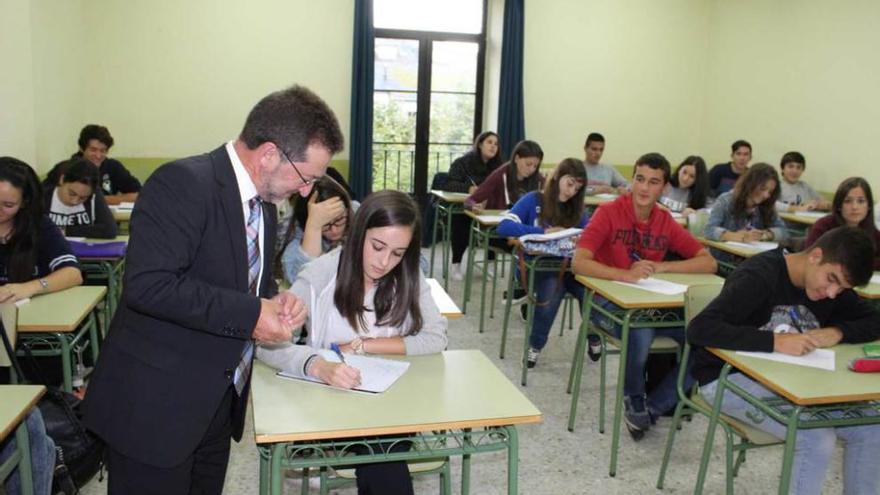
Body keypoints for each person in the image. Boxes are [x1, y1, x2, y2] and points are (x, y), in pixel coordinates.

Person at [81, 84, 343, 494]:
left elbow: (243, 282)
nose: (307, 191)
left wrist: (274, 301)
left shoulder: (265, 204)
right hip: (156, 407)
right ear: (271, 153)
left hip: (216, 399)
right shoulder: (183, 182)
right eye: (307, 177)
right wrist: (252, 314)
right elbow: (149, 285)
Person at [258, 190, 447, 495]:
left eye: (398, 253)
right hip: (333, 408)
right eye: (378, 246)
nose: (385, 262)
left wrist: (362, 345)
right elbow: (266, 343)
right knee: (382, 454)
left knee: (381, 445)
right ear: (359, 234)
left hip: (396, 406)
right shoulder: (320, 273)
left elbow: (436, 337)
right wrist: (317, 365)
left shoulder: (409, 276)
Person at [688, 226, 880, 495]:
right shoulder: (760, 275)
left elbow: (874, 320)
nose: (833, 293)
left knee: (872, 427)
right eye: (832, 280)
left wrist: (838, 331)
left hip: (795, 382)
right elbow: (700, 329)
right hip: (725, 378)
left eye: (842, 288)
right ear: (815, 256)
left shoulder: (830, 287)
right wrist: (776, 342)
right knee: (815, 438)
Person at [572, 152, 717, 440]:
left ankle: (652, 407)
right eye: (639, 179)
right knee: (640, 329)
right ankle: (634, 398)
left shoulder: (664, 220)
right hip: (605, 304)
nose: (644, 188)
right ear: (632, 180)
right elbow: (579, 262)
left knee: (707, 340)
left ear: (664, 188)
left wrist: (664, 266)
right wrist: (623, 274)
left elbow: (708, 262)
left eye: (653, 182)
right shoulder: (609, 213)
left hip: (649, 303)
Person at [0, 156, 83, 495]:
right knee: (28, 424)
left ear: (24, 204)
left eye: (7, 205)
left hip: (27, 346)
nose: (0, 210)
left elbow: (73, 273)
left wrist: (28, 287)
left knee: (29, 419)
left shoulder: (37, 228)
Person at [496, 158, 596, 367]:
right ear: (558, 176)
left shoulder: (577, 210)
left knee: (593, 294)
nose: (572, 192)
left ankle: (595, 338)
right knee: (551, 293)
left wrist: (580, 239)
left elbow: (590, 236)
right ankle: (535, 345)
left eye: (577, 188)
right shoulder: (534, 200)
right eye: (569, 184)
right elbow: (504, 227)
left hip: (570, 268)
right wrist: (543, 232)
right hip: (539, 268)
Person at [442, 131, 501, 281]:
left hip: (487, 206)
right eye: (489, 142)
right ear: (480, 144)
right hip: (464, 206)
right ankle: (456, 263)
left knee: (496, 223)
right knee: (461, 220)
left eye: (496, 144)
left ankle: (490, 263)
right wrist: (468, 189)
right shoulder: (463, 162)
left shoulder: (499, 166)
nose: (493, 146)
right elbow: (449, 184)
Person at [703, 163, 789, 262]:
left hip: (752, 262)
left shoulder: (767, 205)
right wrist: (733, 236)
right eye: (763, 188)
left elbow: (784, 232)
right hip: (724, 261)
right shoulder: (725, 200)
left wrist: (764, 234)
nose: (766, 195)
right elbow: (708, 230)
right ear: (750, 183)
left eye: (770, 192)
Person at [277, 176, 353, 283]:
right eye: (325, 225)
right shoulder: (295, 241)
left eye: (339, 220)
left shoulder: (358, 214)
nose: (335, 230)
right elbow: (301, 281)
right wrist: (313, 227)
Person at [55, 124, 142, 205]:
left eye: (103, 151)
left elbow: (139, 194)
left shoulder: (113, 166)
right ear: (82, 148)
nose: (98, 155)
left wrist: (104, 200)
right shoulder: (69, 168)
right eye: (93, 150)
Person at [805, 177, 880, 269]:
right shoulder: (824, 226)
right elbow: (810, 256)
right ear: (839, 205)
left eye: (861, 201)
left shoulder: (871, 230)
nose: (855, 207)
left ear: (869, 206)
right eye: (848, 201)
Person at [43, 158, 118, 239]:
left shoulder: (94, 196)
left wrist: (66, 231)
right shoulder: (43, 197)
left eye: (83, 198)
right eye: (72, 194)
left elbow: (110, 230)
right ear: (62, 180)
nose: (75, 201)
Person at [464, 139, 544, 212]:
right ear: (516, 158)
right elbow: (470, 201)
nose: (531, 170)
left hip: (524, 224)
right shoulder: (499, 175)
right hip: (498, 224)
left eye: (535, 166)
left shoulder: (538, 178)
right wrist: (473, 206)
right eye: (528, 164)